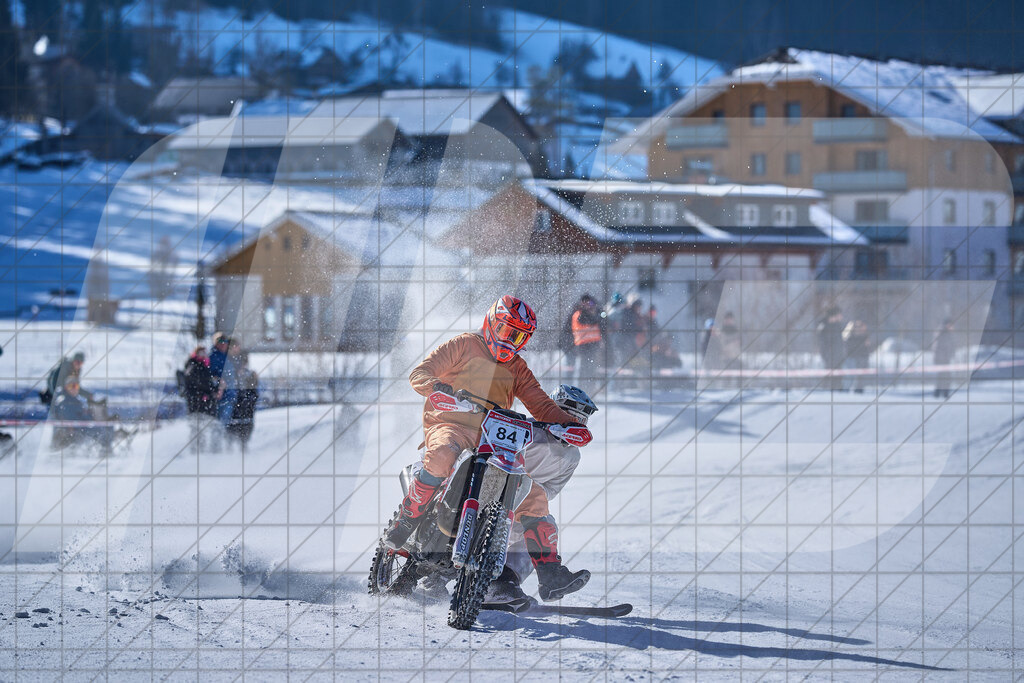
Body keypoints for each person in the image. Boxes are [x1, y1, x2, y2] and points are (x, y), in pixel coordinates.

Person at [385, 295, 592, 601]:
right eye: (508, 332)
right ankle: (409, 516)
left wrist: (569, 426)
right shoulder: (464, 345)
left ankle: (550, 573)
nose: (512, 342)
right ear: (493, 322)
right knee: (442, 456)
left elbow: (541, 404)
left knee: (531, 493)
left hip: (490, 437)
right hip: (450, 424)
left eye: (520, 337)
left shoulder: (518, 367)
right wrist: (436, 386)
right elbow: (420, 372)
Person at [486, 384, 599, 603]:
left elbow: (550, 491)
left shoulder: (572, 456)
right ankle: (551, 574)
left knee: (546, 524)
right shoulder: (526, 429)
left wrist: (528, 488)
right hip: (491, 495)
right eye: (571, 418)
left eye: (582, 422)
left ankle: (504, 581)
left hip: (519, 506)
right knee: (538, 511)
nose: (577, 426)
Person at [51, 376, 113, 452]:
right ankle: (105, 451)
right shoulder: (65, 401)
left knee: (104, 427)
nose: (74, 389)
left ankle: (103, 449)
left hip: (80, 428)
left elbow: (83, 416)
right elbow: (70, 419)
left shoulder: (76, 400)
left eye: (76, 386)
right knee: (102, 430)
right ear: (66, 387)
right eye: (71, 386)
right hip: (73, 432)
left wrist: (90, 417)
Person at [228, 351, 259, 443]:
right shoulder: (232, 374)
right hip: (236, 408)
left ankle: (244, 447)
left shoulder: (251, 374)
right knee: (233, 428)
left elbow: (254, 391)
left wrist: (249, 399)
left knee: (246, 429)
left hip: (247, 408)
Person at [570, 294, 603, 380]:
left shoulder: (593, 313)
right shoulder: (579, 313)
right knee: (584, 369)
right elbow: (590, 321)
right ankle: (583, 387)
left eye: (590, 303)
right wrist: (594, 312)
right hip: (583, 345)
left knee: (592, 369)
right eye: (586, 303)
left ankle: (591, 387)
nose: (588, 305)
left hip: (593, 345)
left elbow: (603, 323)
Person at [816, 306, 845, 391]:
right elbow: (821, 341)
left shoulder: (838, 325)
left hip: (838, 354)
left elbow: (841, 339)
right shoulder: (823, 325)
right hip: (828, 354)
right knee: (829, 372)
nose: (841, 316)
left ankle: (838, 388)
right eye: (840, 314)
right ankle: (826, 389)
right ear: (834, 315)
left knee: (838, 372)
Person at [215, 338, 242, 427]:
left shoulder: (232, 359)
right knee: (221, 422)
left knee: (225, 422)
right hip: (223, 395)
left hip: (230, 394)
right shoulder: (218, 357)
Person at [183, 346, 216, 415]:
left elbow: (207, 380)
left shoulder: (205, 365)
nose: (204, 354)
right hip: (196, 397)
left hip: (205, 397)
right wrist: (206, 392)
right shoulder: (193, 364)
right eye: (201, 353)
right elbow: (196, 381)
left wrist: (212, 390)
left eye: (205, 353)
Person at [842, 320, 874, 393]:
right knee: (849, 377)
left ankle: (859, 390)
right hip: (852, 358)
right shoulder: (850, 336)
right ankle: (845, 391)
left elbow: (869, 348)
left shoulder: (865, 336)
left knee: (861, 377)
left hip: (863, 358)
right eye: (858, 326)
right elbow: (851, 347)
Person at [931, 318, 958, 398]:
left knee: (943, 375)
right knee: (945, 375)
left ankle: (940, 392)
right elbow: (940, 346)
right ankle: (942, 392)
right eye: (951, 325)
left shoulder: (945, 332)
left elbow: (951, 345)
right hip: (941, 357)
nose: (952, 327)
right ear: (947, 325)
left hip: (944, 357)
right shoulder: (943, 332)